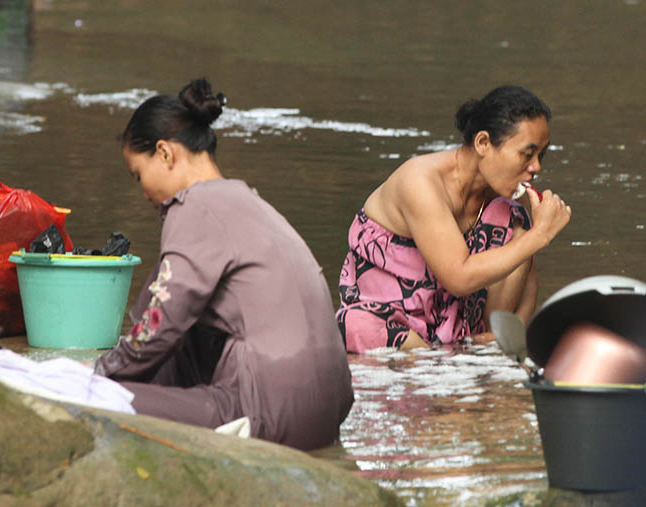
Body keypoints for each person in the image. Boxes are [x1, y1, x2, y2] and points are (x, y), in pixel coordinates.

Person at [93, 78, 354, 451]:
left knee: (94, 402)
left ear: (165, 154)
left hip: (272, 412)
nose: (144, 192)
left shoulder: (194, 208)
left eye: (139, 176)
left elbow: (159, 325)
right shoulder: (250, 203)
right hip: (327, 412)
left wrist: (94, 377)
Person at [336, 85, 571, 353]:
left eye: (541, 155)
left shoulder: (499, 203)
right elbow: (458, 278)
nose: (537, 167)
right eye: (527, 155)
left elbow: (527, 278)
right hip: (388, 324)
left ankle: (489, 342)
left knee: (513, 219)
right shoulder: (419, 181)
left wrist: (512, 329)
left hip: (459, 335)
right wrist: (540, 235)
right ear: (483, 143)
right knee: (359, 327)